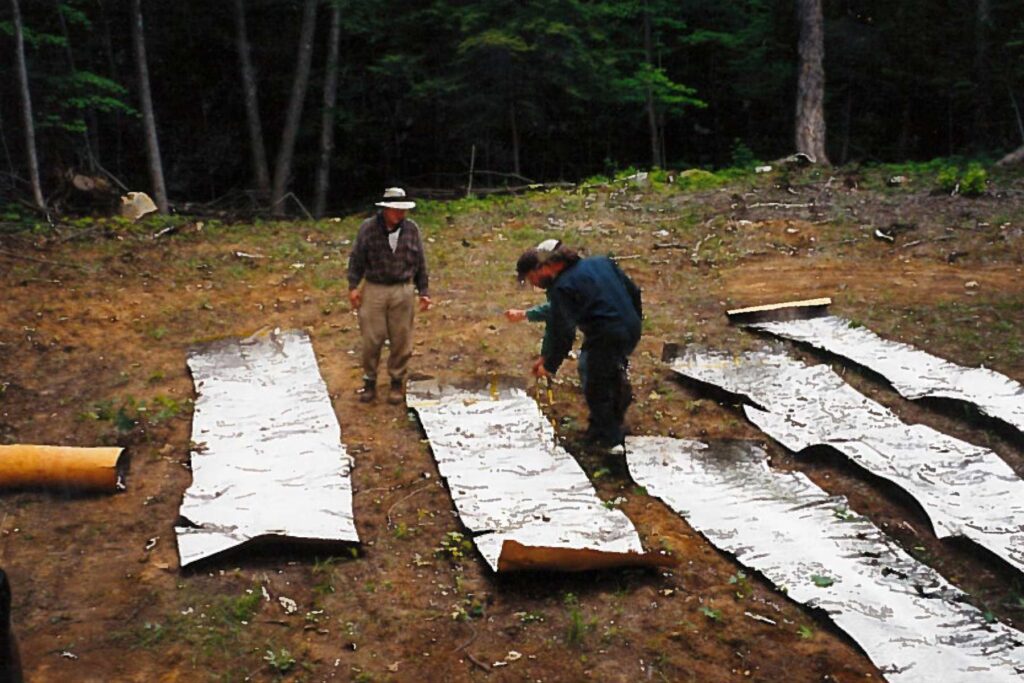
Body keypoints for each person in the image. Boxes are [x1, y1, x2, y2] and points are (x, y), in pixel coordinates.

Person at [514, 243, 642, 449]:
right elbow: (634, 291)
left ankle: (608, 439)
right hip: (630, 326)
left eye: (532, 279)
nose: (535, 284)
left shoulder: (562, 287)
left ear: (544, 267)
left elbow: (562, 331)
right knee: (603, 367)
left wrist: (550, 365)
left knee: (595, 382)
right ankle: (610, 409)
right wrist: (634, 319)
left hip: (606, 334)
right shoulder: (600, 262)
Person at [347, 187, 431, 404]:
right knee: (371, 339)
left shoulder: (412, 229)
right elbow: (356, 258)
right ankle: (369, 381)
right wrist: (353, 287)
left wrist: (424, 291)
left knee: (401, 339)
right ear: (385, 209)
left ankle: (396, 381)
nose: (400, 214)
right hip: (375, 287)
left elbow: (420, 261)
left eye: (403, 210)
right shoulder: (367, 229)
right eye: (396, 210)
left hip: (403, 289)